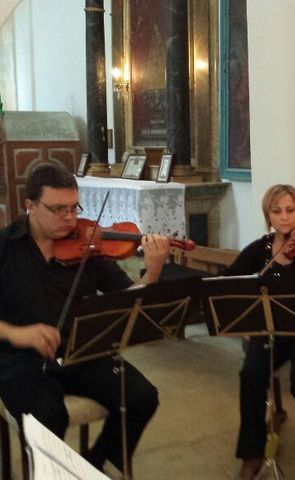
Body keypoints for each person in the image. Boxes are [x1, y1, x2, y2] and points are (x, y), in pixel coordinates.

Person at [0, 163, 170, 474]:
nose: (69, 218)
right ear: (30, 206)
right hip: (19, 359)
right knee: (50, 415)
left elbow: (128, 297)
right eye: (57, 209)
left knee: (143, 397)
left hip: (81, 350)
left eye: (73, 208)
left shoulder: (88, 245)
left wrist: (154, 269)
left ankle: (92, 465)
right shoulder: (6, 247)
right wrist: (17, 334)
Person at [224, 184, 295, 480]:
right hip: (273, 329)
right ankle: (252, 452)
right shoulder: (260, 249)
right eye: (277, 211)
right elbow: (226, 282)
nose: (285, 218)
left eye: (290, 210)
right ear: (268, 216)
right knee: (250, 374)